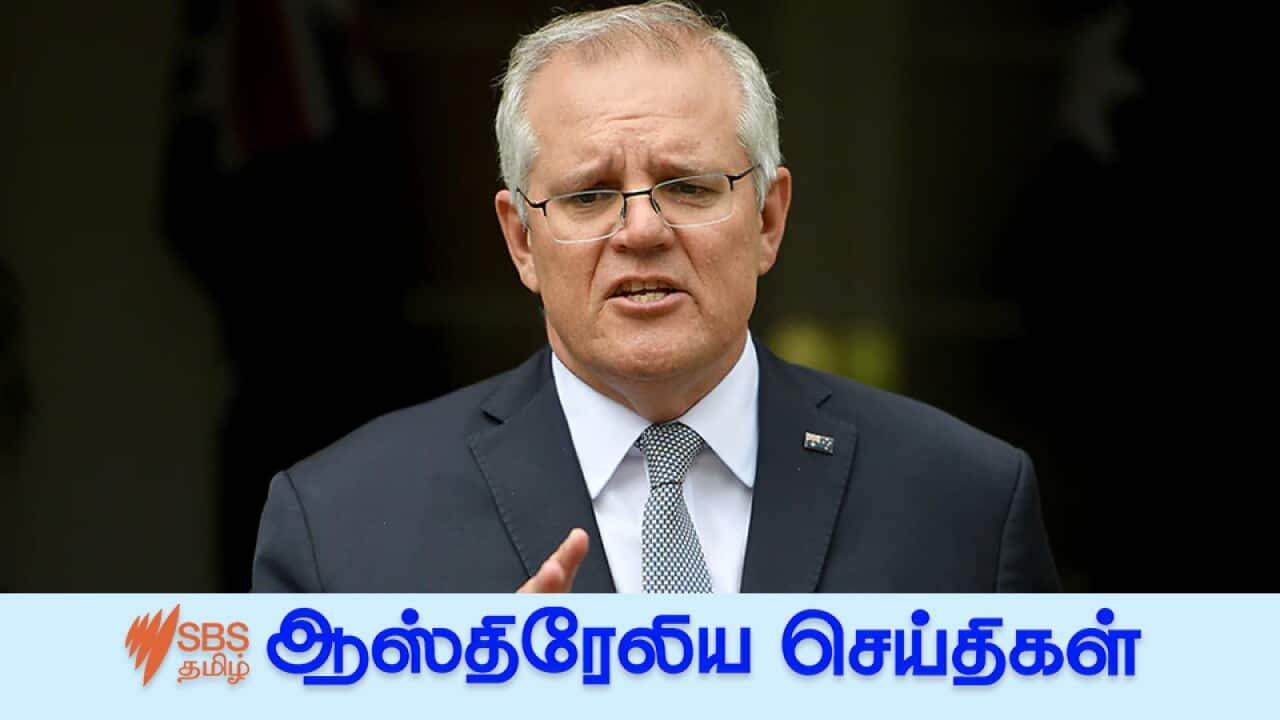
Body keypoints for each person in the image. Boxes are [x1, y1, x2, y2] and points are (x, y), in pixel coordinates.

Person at [251, 1, 1059, 593]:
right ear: (522, 239)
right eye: (589, 196)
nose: (641, 230)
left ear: (768, 218)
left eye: (689, 186)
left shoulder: (966, 500)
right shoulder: (339, 521)